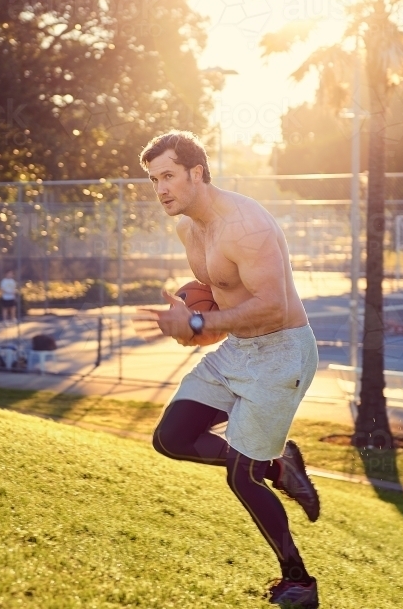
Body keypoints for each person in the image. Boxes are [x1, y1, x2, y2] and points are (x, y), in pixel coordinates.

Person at [134, 131, 321, 608]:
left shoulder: (246, 226)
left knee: (241, 476)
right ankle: (279, 464)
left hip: (282, 352)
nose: (161, 189)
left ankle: (298, 580)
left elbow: (273, 309)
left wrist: (197, 320)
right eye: (154, 179)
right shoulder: (188, 230)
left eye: (169, 176)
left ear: (197, 173)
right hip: (240, 348)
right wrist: (190, 329)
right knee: (170, 438)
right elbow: (220, 313)